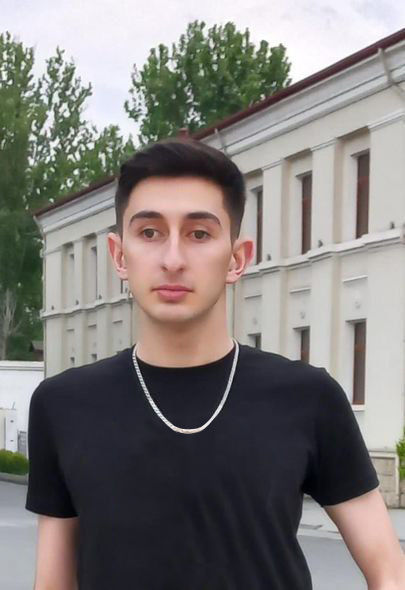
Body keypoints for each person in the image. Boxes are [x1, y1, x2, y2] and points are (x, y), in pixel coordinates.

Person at [25, 137, 405, 590]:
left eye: (199, 234)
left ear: (237, 259)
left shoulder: (308, 398)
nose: (172, 259)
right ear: (119, 255)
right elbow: (53, 583)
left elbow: (389, 571)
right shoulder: (63, 405)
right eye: (150, 233)